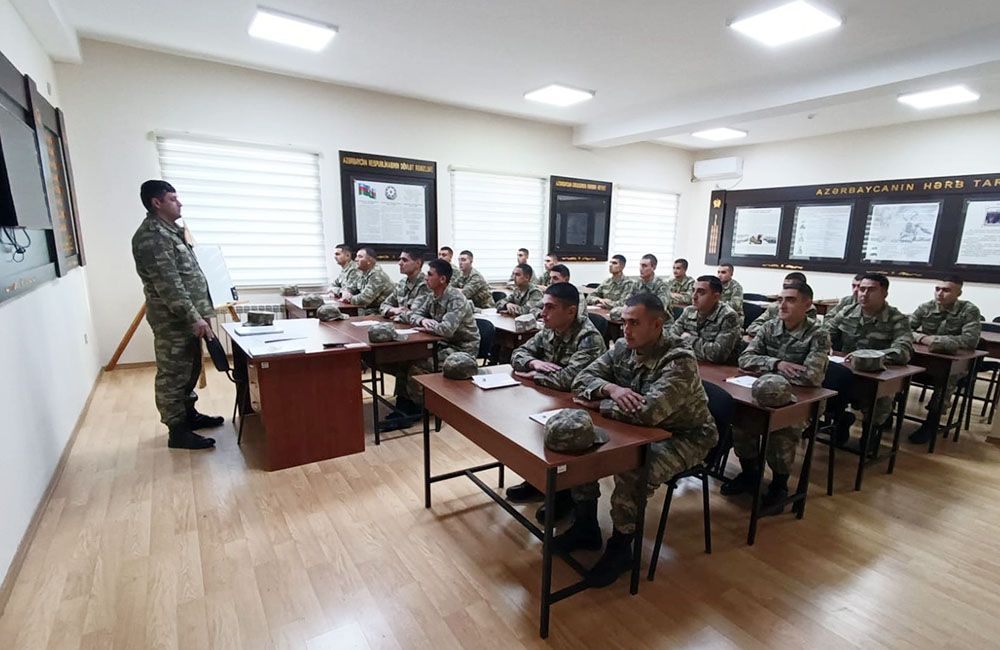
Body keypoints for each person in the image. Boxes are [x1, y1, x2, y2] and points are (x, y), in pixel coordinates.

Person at [561, 293, 718, 587]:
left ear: (657, 324)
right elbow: (581, 379)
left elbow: (650, 411)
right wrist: (611, 389)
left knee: (634, 467)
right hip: (635, 428)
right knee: (582, 448)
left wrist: (600, 405)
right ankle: (585, 526)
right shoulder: (623, 347)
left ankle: (622, 547)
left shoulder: (679, 359)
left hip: (686, 436)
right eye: (624, 322)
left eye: (634, 323)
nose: (625, 329)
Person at [131, 180, 221, 450]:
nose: (179, 203)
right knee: (173, 374)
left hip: (186, 318)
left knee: (190, 368)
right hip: (173, 320)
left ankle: (189, 415)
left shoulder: (170, 232)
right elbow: (170, 285)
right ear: (156, 202)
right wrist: (194, 317)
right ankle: (177, 430)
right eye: (172, 198)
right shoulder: (153, 236)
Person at [723, 282, 830, 508]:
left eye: (790, 300)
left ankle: (780, 484)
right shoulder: (770, 326)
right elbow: (744, 360)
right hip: (760, 393)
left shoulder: (818, 334)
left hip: (799, 401)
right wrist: (778, 364)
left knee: (781, 433)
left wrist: (762, 368)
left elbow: (810, 376)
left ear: (807, 304)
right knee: (742, 425)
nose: (782, 304)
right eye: (781, 299)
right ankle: (750, 474)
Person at [507, 283, 608, 520]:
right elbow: (517, 354)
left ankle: (566, 496)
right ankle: (539, 481)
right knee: (530, 432)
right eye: (543, 306)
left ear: (571, 311)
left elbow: (569, 380)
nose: (543, 313)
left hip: (583, 407)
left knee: (567, 443)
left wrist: (535, 375)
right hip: (553, 400)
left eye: (550, 307)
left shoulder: (588, 337)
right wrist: (534, 363)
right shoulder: (550, 329)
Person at [382, 259, 481, 430]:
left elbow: (446, 330)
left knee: (419, 364)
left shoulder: (456, 298)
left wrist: (426, 324)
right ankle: (404, 406)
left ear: (442, 279)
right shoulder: (432, 296)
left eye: (430, 274)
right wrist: (422, 320)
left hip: (461, 350)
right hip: (441, 344)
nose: (426, 278)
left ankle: (419, 408)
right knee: (405, 360)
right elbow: (410, 315)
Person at [823, 273, 913, 449]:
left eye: (871, 290)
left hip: (876, 374)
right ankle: (840, 420)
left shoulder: (897, 319)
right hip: (847, 371)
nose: (863, 294)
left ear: (885, 293)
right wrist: (825, 344)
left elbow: (903, 351)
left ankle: (870, 431)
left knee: (879, 400)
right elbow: (825, 332)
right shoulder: (848, 311)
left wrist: (867, 356)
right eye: (861, 289)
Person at [907, 275, 982, 444]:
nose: (940, 293)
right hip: (925, 360)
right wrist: (923, 339)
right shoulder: (926, 307)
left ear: (959, 293)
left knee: (947, 378)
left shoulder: (969, 311)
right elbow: (904, 330)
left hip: (954, 365)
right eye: (937, 289)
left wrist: (938, 342)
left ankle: (931, 423)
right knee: (897, 370)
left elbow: (970, 341)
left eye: (946, 290)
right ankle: (886, 416)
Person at [669, 276, 741, 364]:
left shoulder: (728, 316)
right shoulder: (689, 310)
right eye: (693, 290)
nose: (694, 296)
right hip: (691, 361)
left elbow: (717, 354)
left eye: (701, 292)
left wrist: (687, 338)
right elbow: (670, 337)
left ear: (716, 297)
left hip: (719, 369)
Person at [745, 272, 816, 338]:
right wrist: (773, 334)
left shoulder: (807, 308)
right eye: (784, 286)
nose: (786, 289)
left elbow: (807, 334)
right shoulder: (774, 306)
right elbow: (752, 328)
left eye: (792, 286)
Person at [380, 247, 431, 319]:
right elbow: (383, 305)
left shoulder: (426, 284)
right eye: (400, 259)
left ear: (418, 263)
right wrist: (394, 310)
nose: (400, 263)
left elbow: (415, 315)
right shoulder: (402, 283)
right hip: (401, 326)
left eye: (404, 260)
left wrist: (398, 315)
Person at [623, 254, 674, 325]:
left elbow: (660, 308)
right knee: (616, 312)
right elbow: (627, 301)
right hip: (637, 316)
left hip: (658, 322)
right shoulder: (637, 283)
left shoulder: (662, 285)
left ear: (653, 267)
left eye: (644, 266)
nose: (641, 269)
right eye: (640, 265)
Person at [344, 246, 394, 316]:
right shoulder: (362, 272)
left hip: (379, 313)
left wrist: (349, 298)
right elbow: (351, 288)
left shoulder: (377, 275)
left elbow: (364, 300)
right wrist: (347, 292)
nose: (356, 259)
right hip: (366, 310)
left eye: (360, 257)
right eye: (356, 256)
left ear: (369, 261)